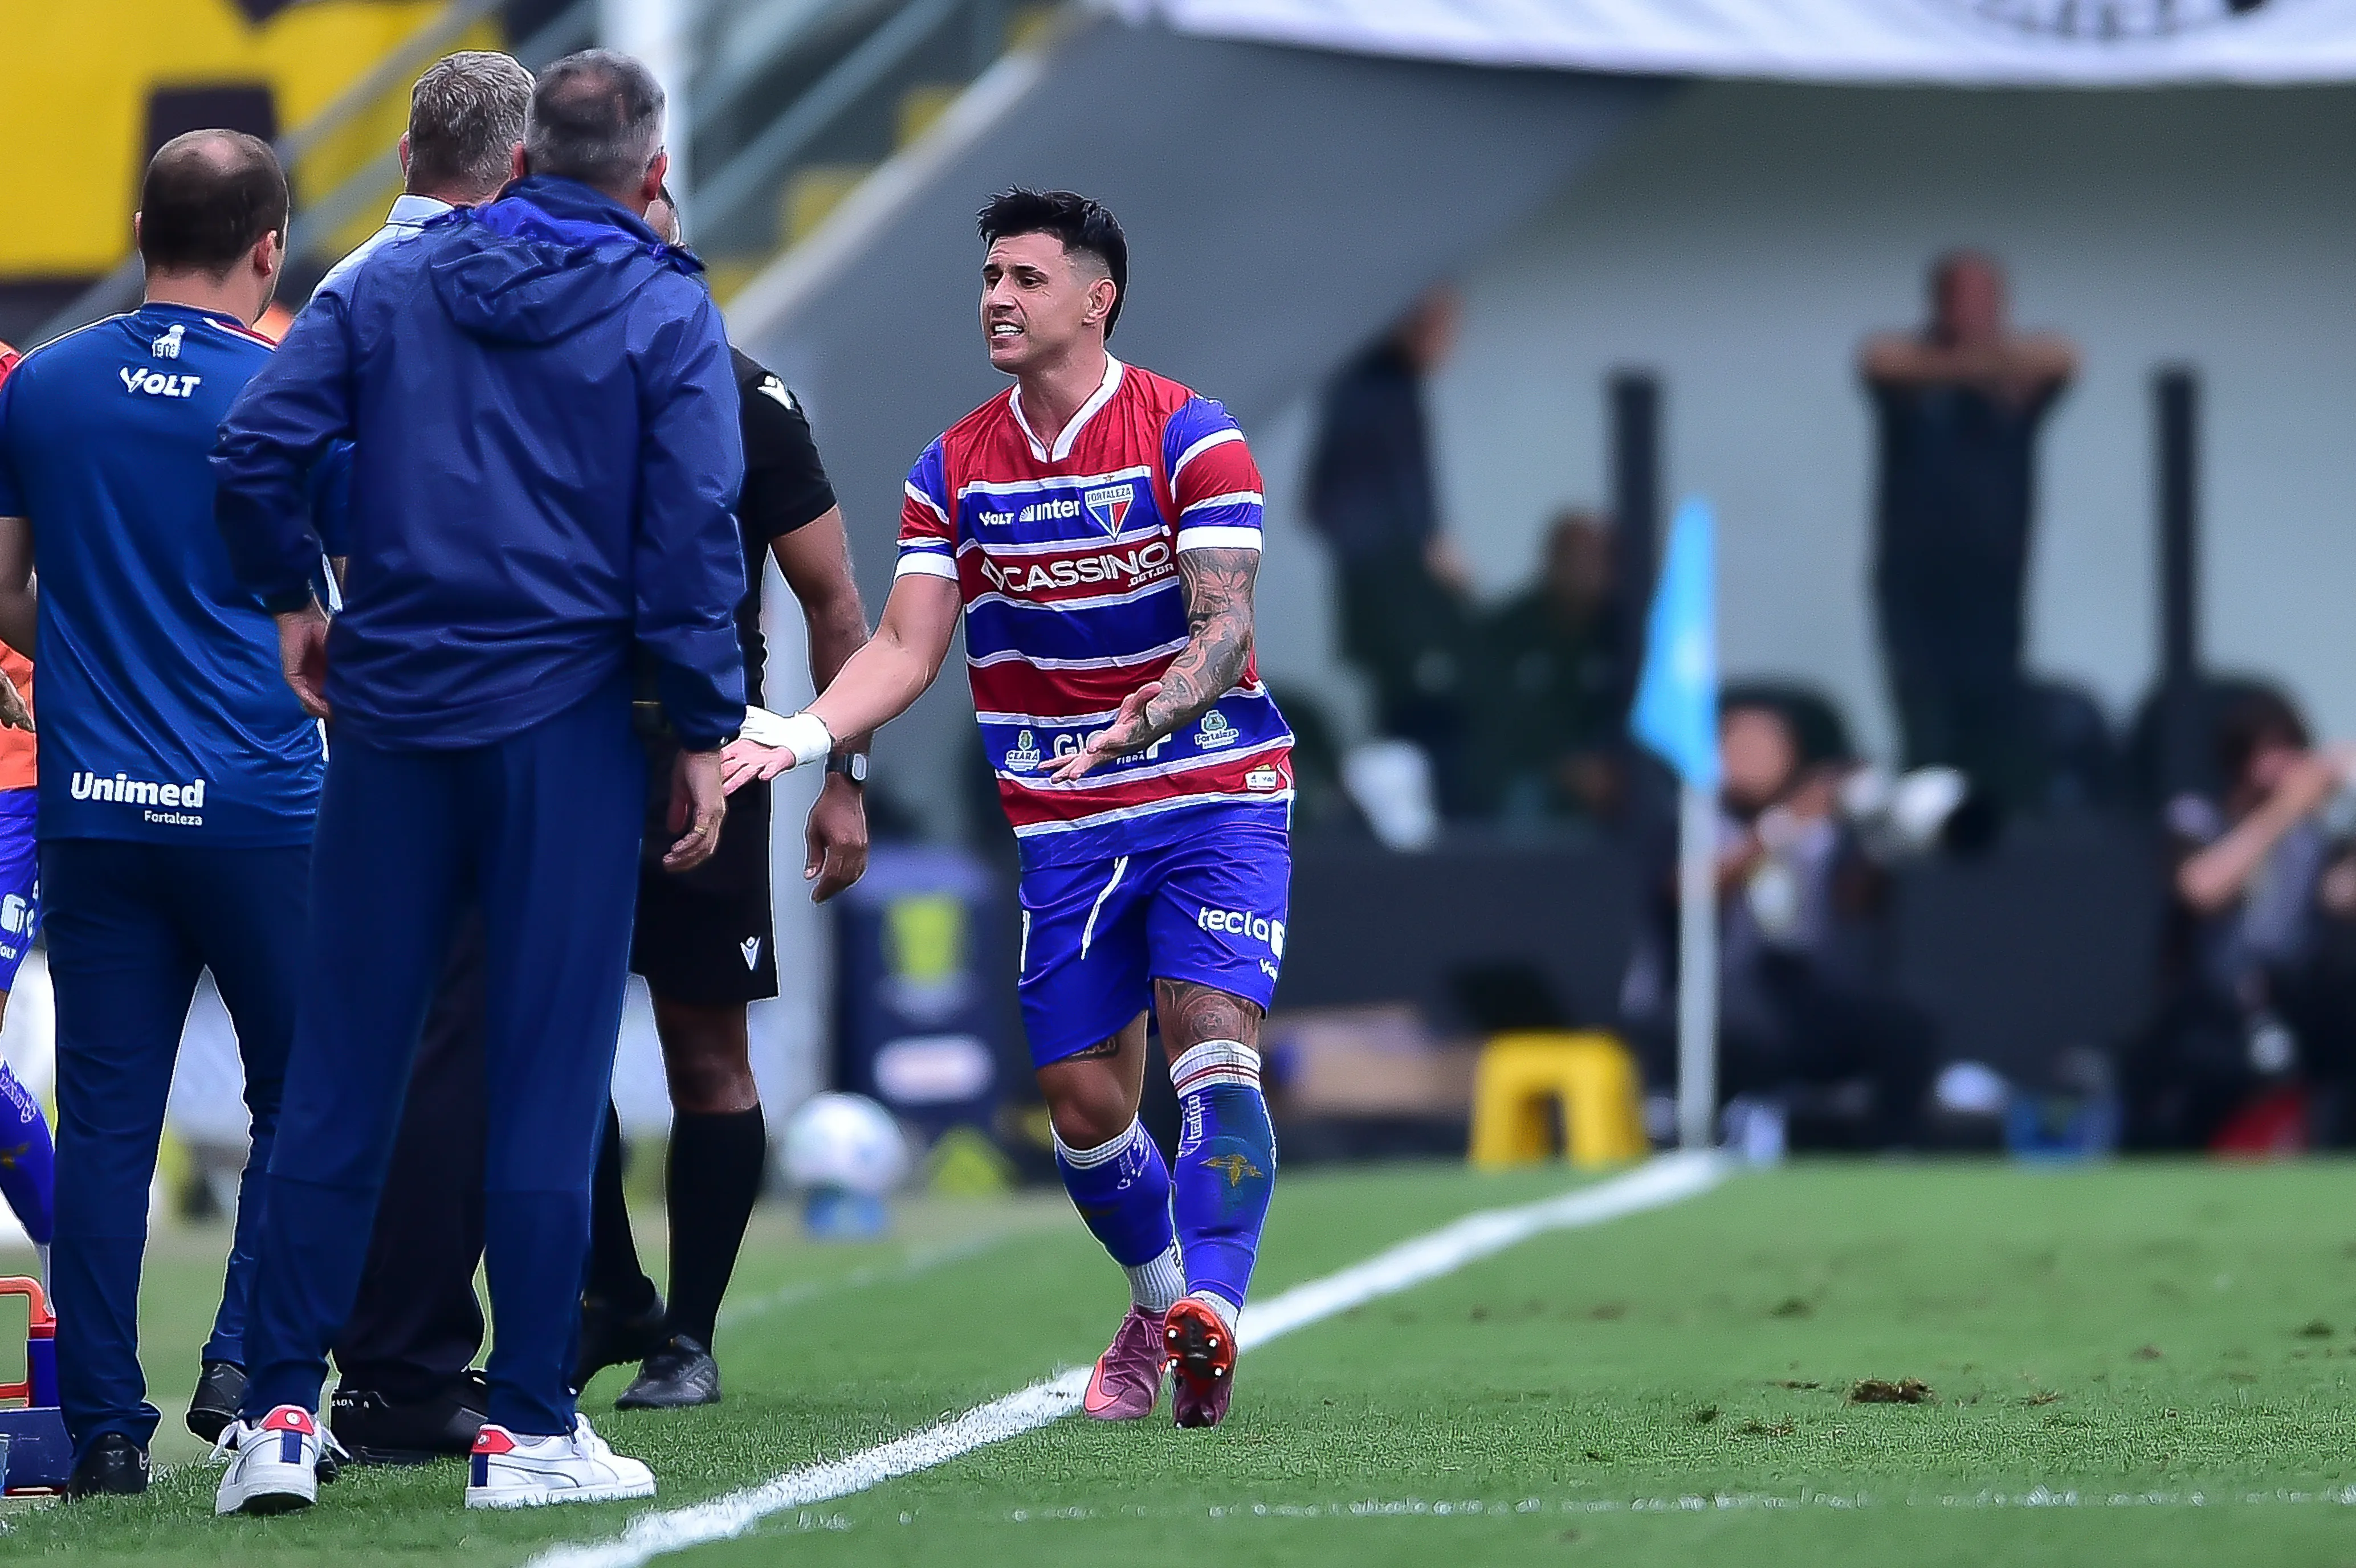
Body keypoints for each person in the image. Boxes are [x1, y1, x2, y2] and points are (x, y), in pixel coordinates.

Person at [209, 50, 745, 1513]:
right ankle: (526, 1428)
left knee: (341, 1069)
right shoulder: (662, 304)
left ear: (515, 165)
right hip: (561, 723)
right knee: (547, 1072)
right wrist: (701, 730)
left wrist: (297, 598)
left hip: (390, 711)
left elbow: (259, 447)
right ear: (647, 176)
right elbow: (694, 532)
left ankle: (272, 1417)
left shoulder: (382, 285)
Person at [727, 189, 1287, 1430]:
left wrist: (1147, 715)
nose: (997, 295)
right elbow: (905, 647)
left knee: (1211, 1048)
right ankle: (1161, 1303)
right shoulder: (954, 466)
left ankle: (1220, 1314)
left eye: (1028, 277)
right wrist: (816, 735)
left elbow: (1227, 628)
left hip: (1213, 794)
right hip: (1066, 819)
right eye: (990, 275)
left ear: (1099, 298)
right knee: (1085, 1109)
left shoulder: (1194, 436)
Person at [0, 132, 325, 1499]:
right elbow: (334, 604)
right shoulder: (291, 386)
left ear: (140, 226)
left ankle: (106, 1430)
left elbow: (6, 591)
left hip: (94, 806)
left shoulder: (47, 383)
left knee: (111, 1122)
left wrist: (95, 660)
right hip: (259, 804)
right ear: (271, 248)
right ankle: (245, 1368)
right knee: (303, 1099)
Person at [574, 187, 872, 1411]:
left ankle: (685, 1335)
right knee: (539, 1040)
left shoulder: (748, 398)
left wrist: (841, 778)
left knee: (706, 1049)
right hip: (563, 755)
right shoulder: (545, 392)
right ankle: (606, 1288)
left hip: (713, 756)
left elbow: (838, 604)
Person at [300, 49, 533, 1467]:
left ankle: (296, 1366)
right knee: (480, 1047)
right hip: (492, 712)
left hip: (363, 712)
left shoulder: (335, 296)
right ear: (518, 172)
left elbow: (275, 476)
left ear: (400, 159)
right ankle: (415, 1372)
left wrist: (306, 623)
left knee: (369, 1050)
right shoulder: (522, 302)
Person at [1621, 696, 1935, 1149]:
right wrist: (1780, 828)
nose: (1754, 758)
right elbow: (1686, 892)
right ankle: (1711, 1135)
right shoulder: (1689, 819)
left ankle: (1891, 1150)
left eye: (1768, 745)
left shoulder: (1825, 827)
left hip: (1794, 991)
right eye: (1740, 746)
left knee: (1905, 1026)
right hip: (1700, 998)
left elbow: (1858, 906)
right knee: (1742, 1028)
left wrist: (1880, 839)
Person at [1862, 251, 2075, 808]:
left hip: (1996, 586)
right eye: (1968, 298)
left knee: (1998, 729)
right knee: (1928, 728)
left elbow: (2063, 357)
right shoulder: (1910, 373)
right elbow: (1881, 361)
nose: (1980, 311)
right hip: (1916, 586)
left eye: (1989, 298)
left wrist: (1989, 366)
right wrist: (1979, 365)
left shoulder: (2018, 381)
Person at [2123, 688, 2356, 1150]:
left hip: (2294, 1002)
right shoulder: (2198, 818)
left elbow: (2342, 896)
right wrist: (2284, 810)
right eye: (2271, 750)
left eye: (2293, 749)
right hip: (2211, 1009)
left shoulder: (2315, 837)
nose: (2285, 765)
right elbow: (2203, 889)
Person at [1305, 287, 1476, 814]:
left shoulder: (1387, 389)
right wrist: (1424, 548)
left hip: (1391, 585)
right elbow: (1339, 499)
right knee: (1413, 704)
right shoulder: (1374, 389)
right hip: (1391, 590)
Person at [1473, 509, 1624, 823]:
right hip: (1536, 766)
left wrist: (1608, 765)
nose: (1584, 570)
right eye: (1574, 558)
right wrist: (1566, 765)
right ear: (1551, 561)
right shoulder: (1509, 629)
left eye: (1595, 558)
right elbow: (1501, 715)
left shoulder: (1625, 631)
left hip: (1612, 768)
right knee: (1523, 798)